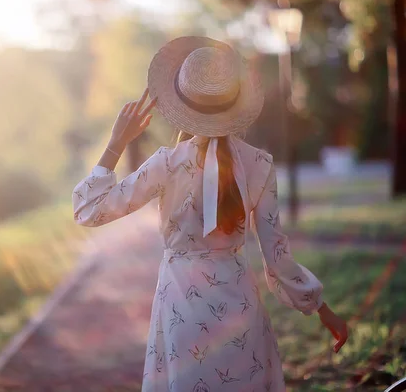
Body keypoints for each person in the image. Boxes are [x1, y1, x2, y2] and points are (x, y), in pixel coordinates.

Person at [72, 36, 348, 392]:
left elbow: (89, 210)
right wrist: (323, 310)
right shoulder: (259, 165)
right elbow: (276, 257)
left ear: (183, 103)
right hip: (240, 308)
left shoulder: (166, 164)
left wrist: (115, 144)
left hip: (181, 310)